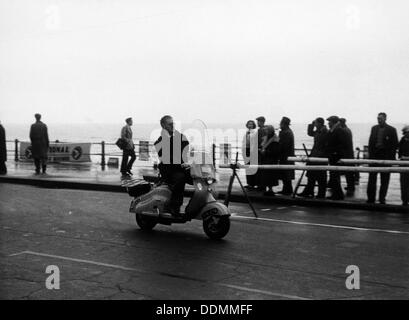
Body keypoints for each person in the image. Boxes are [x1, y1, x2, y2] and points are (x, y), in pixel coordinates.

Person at [154, 115, 191, 216]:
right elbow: (167, 159)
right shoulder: (159, 142)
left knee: (198, 177)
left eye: (172, 123)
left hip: (181, 167)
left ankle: (197, 205)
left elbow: (186, 144)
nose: (172, 125)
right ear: (163, 125)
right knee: (180, 178)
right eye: (169, 124)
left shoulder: (178, 137)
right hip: (169, 170)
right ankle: (174, 207)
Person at [367, 112, 398, 204]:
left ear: (385, 118)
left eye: (380, 118)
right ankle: (371, 198)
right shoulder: (374, 128)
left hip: (385, 157)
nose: (378, 120)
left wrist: (390, 158)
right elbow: (370, 142)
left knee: (384, 180)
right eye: (378, 118)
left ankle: (382, 198)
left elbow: (395, 144)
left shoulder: (392, 130)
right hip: (374, 157)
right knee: (372, 178)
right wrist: (370, 155)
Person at [298, 117, 328, 198]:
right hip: (315, 154)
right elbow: (310, 133)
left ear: (320, 123)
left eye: (316, 123)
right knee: (311, 175)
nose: (315, 124)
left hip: (321, 156)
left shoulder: (324, 131)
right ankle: (308, 191)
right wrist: (311, 124)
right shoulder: (318, 131)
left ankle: (321, 194)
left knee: (321, 177)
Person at [325, 116, 350, 200]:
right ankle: (337, 194)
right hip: (333, 156)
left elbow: (343, 144)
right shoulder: (333, 130)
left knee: (335, 176)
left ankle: (338, 194)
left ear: (334, 122)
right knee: (334, 176)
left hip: (335, 156)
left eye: (330, 122)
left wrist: (336, 152)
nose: (328, 123)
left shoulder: (339, 131)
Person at [259, 125, 280, 196]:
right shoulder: (267, 138)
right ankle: (266, 188)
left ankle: (270, 189)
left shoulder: (275, 139)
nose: (266, 132)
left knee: (270, 175)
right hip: (266, 159)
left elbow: (275, 151)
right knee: (266, 175)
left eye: (267, 130)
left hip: (271, 159)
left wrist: (265, 152)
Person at [278, 116, 295, 195]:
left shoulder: (286, 133)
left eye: (281, 123)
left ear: (284, 124)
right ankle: (287, 189)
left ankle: (287, 190)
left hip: (286, 156)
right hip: (287, 155)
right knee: (286, 174)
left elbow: (283, 145)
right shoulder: (287, 132)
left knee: (286, 174)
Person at [339, 118, 356, 196]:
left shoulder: (344, 131)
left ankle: (351, 187)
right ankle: (351, 186)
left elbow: (343, 143)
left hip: (346, 154)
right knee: (349, 172)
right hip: (349, 153)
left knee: (348, 172)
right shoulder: (347, 130)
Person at [241, 120, 258, 189]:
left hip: (251, 151)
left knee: (251, 167)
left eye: (251, 124)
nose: (250, 125)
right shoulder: (247, 132)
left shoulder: (255, 132)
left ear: (253, 125)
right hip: (246, 150)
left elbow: (254, 143)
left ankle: (252, 184)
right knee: (247, 167)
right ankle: (249, 183)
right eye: (249, 124)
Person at [398, 125, 409, 206]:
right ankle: (404, 200)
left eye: (406, 133)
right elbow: (400, 151)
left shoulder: (403, 140)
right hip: (403, 164)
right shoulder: (403, 140)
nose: (404, 135)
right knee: (403, 183)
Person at [255, 116, 267, 190]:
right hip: (260, 151)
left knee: (260, 169)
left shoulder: (262, 130)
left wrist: (260, 148)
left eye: (258, 121)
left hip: (260, 152)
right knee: (260, 169)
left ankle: (261, 186)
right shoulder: (263, 130)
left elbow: (263, 141)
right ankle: (261, 185)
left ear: (262, 122)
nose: (257, 123)